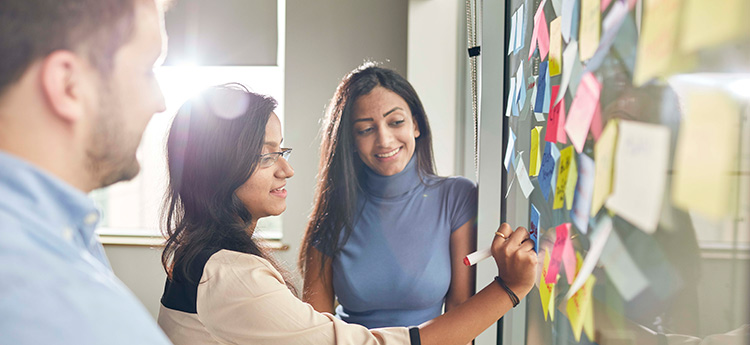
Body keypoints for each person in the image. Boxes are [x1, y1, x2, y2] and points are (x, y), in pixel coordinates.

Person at [157, 84, 538, 345]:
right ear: (220, 168)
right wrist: (509, 288)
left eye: (281, 152)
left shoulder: (208, 261)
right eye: (265, 156)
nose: (286, 170)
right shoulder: (231, 276)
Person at [0, 0, 171, 343]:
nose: (160, 101)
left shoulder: (65, 230)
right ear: (69, 85)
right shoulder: (62, 311)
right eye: (147, 70)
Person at [300, 63, 479, 329]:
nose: (384, 139)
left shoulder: (457, 198)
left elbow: (461, 315)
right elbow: (315, 330)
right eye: (365, 129)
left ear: (415, 125)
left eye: (395, 122)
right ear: (350, 139)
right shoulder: (332, 213)